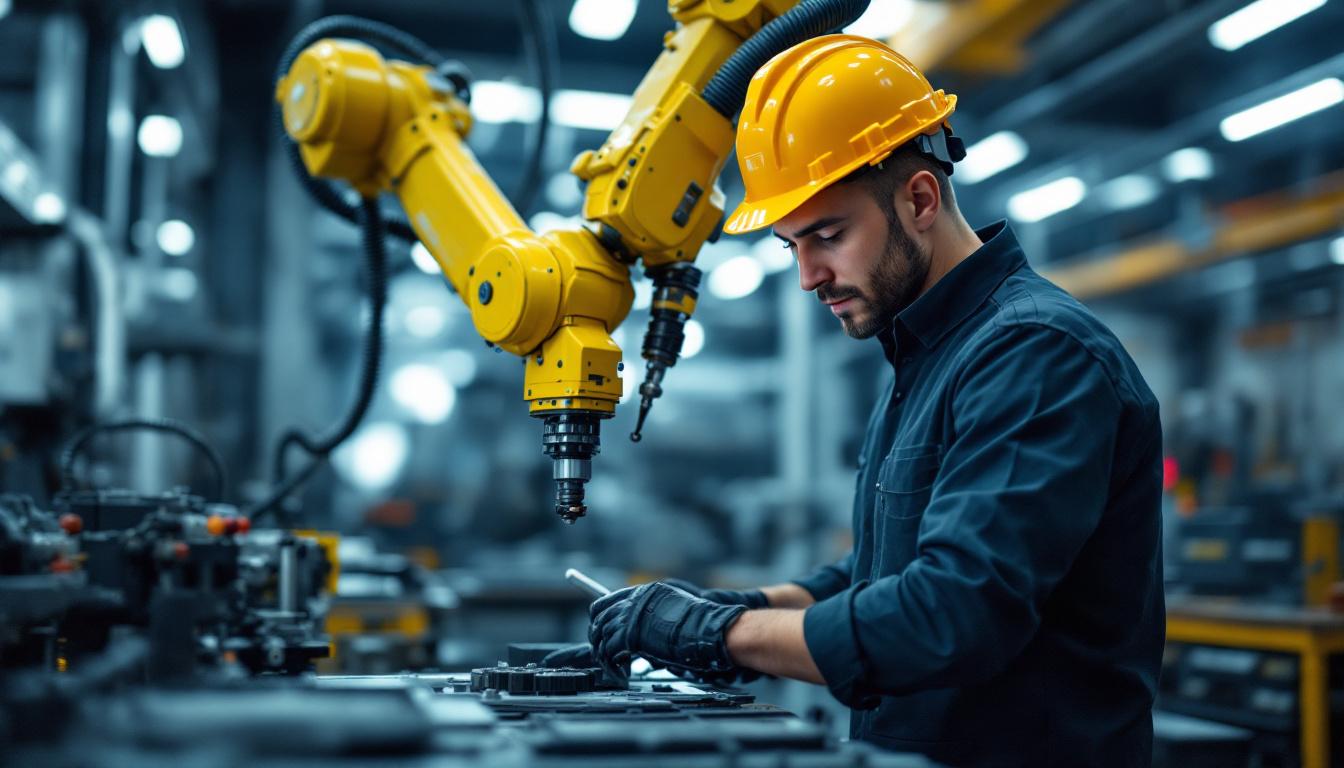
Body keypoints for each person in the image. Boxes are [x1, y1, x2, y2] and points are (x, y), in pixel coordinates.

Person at [551, 35, 1165, 767]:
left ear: (919, 198)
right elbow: (877, 578)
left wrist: (711, 635)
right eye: (791, 246)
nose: (809, 275)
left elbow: (945, 617)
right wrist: (739, 609)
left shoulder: (1034, 354)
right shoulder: (927, 356)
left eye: (829, 235)